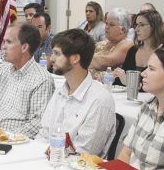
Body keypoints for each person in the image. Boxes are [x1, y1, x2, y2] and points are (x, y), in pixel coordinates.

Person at [39, 29, 116, 157]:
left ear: (75, 58)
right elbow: (43, 135)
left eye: (57, 54)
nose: (51, 58)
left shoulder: (99, 100)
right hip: (48, 162)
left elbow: (84, 153)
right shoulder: (60, 91)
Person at [0, 22, 54, 138]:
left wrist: (7, 137)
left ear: (24, 47)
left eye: (8, 42)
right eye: (4, 41)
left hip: (15, 142)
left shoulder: (42, 79)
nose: (3, 46)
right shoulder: (5, 69)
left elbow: (37, 124)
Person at [113, 9, 164, 84]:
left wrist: (129, 82)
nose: (136, 29)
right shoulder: (133, 50)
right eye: (136, 25)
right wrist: (110, 78)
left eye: (142, 25)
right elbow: (122, 80)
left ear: (154, 26)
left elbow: (159, 84)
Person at [90, 7, 133, 74]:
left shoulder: (127, 44)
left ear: (123, 29)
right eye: (106, 23)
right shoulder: (103, 43)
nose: (107, 27)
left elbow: (104, 63)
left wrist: (82, 59)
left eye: (111, 25)